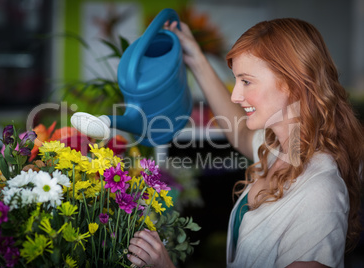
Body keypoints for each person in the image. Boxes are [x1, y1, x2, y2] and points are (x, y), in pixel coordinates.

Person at [127, 17, 364, 268]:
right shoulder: (280, 148)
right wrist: (194, 56)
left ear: (293, 84)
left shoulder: (320, 192)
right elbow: (239, 132)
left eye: (247, 81)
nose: (236, 95)